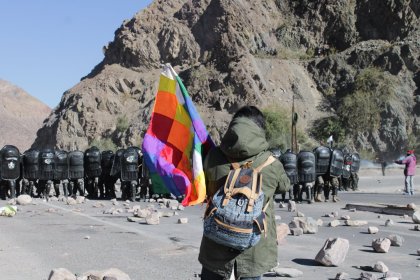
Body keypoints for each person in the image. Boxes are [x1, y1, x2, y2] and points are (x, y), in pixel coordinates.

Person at [199, 105, 290, 280]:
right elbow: (285, 186)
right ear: (260, 129)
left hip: (216, 241)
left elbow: (203, 185)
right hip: (253, 247)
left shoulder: (213, 157)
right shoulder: (272, 163)